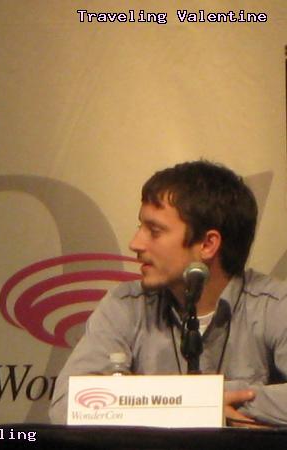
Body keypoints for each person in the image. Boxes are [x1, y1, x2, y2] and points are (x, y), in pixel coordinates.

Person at [50, 160, 287, 427]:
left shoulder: (275, 305)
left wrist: (213, 399)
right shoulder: (125, 306)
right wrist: (196, 404)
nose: (135, 243)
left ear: (207, 244)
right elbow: (66, 405)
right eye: (140, 227)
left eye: (154, 231)